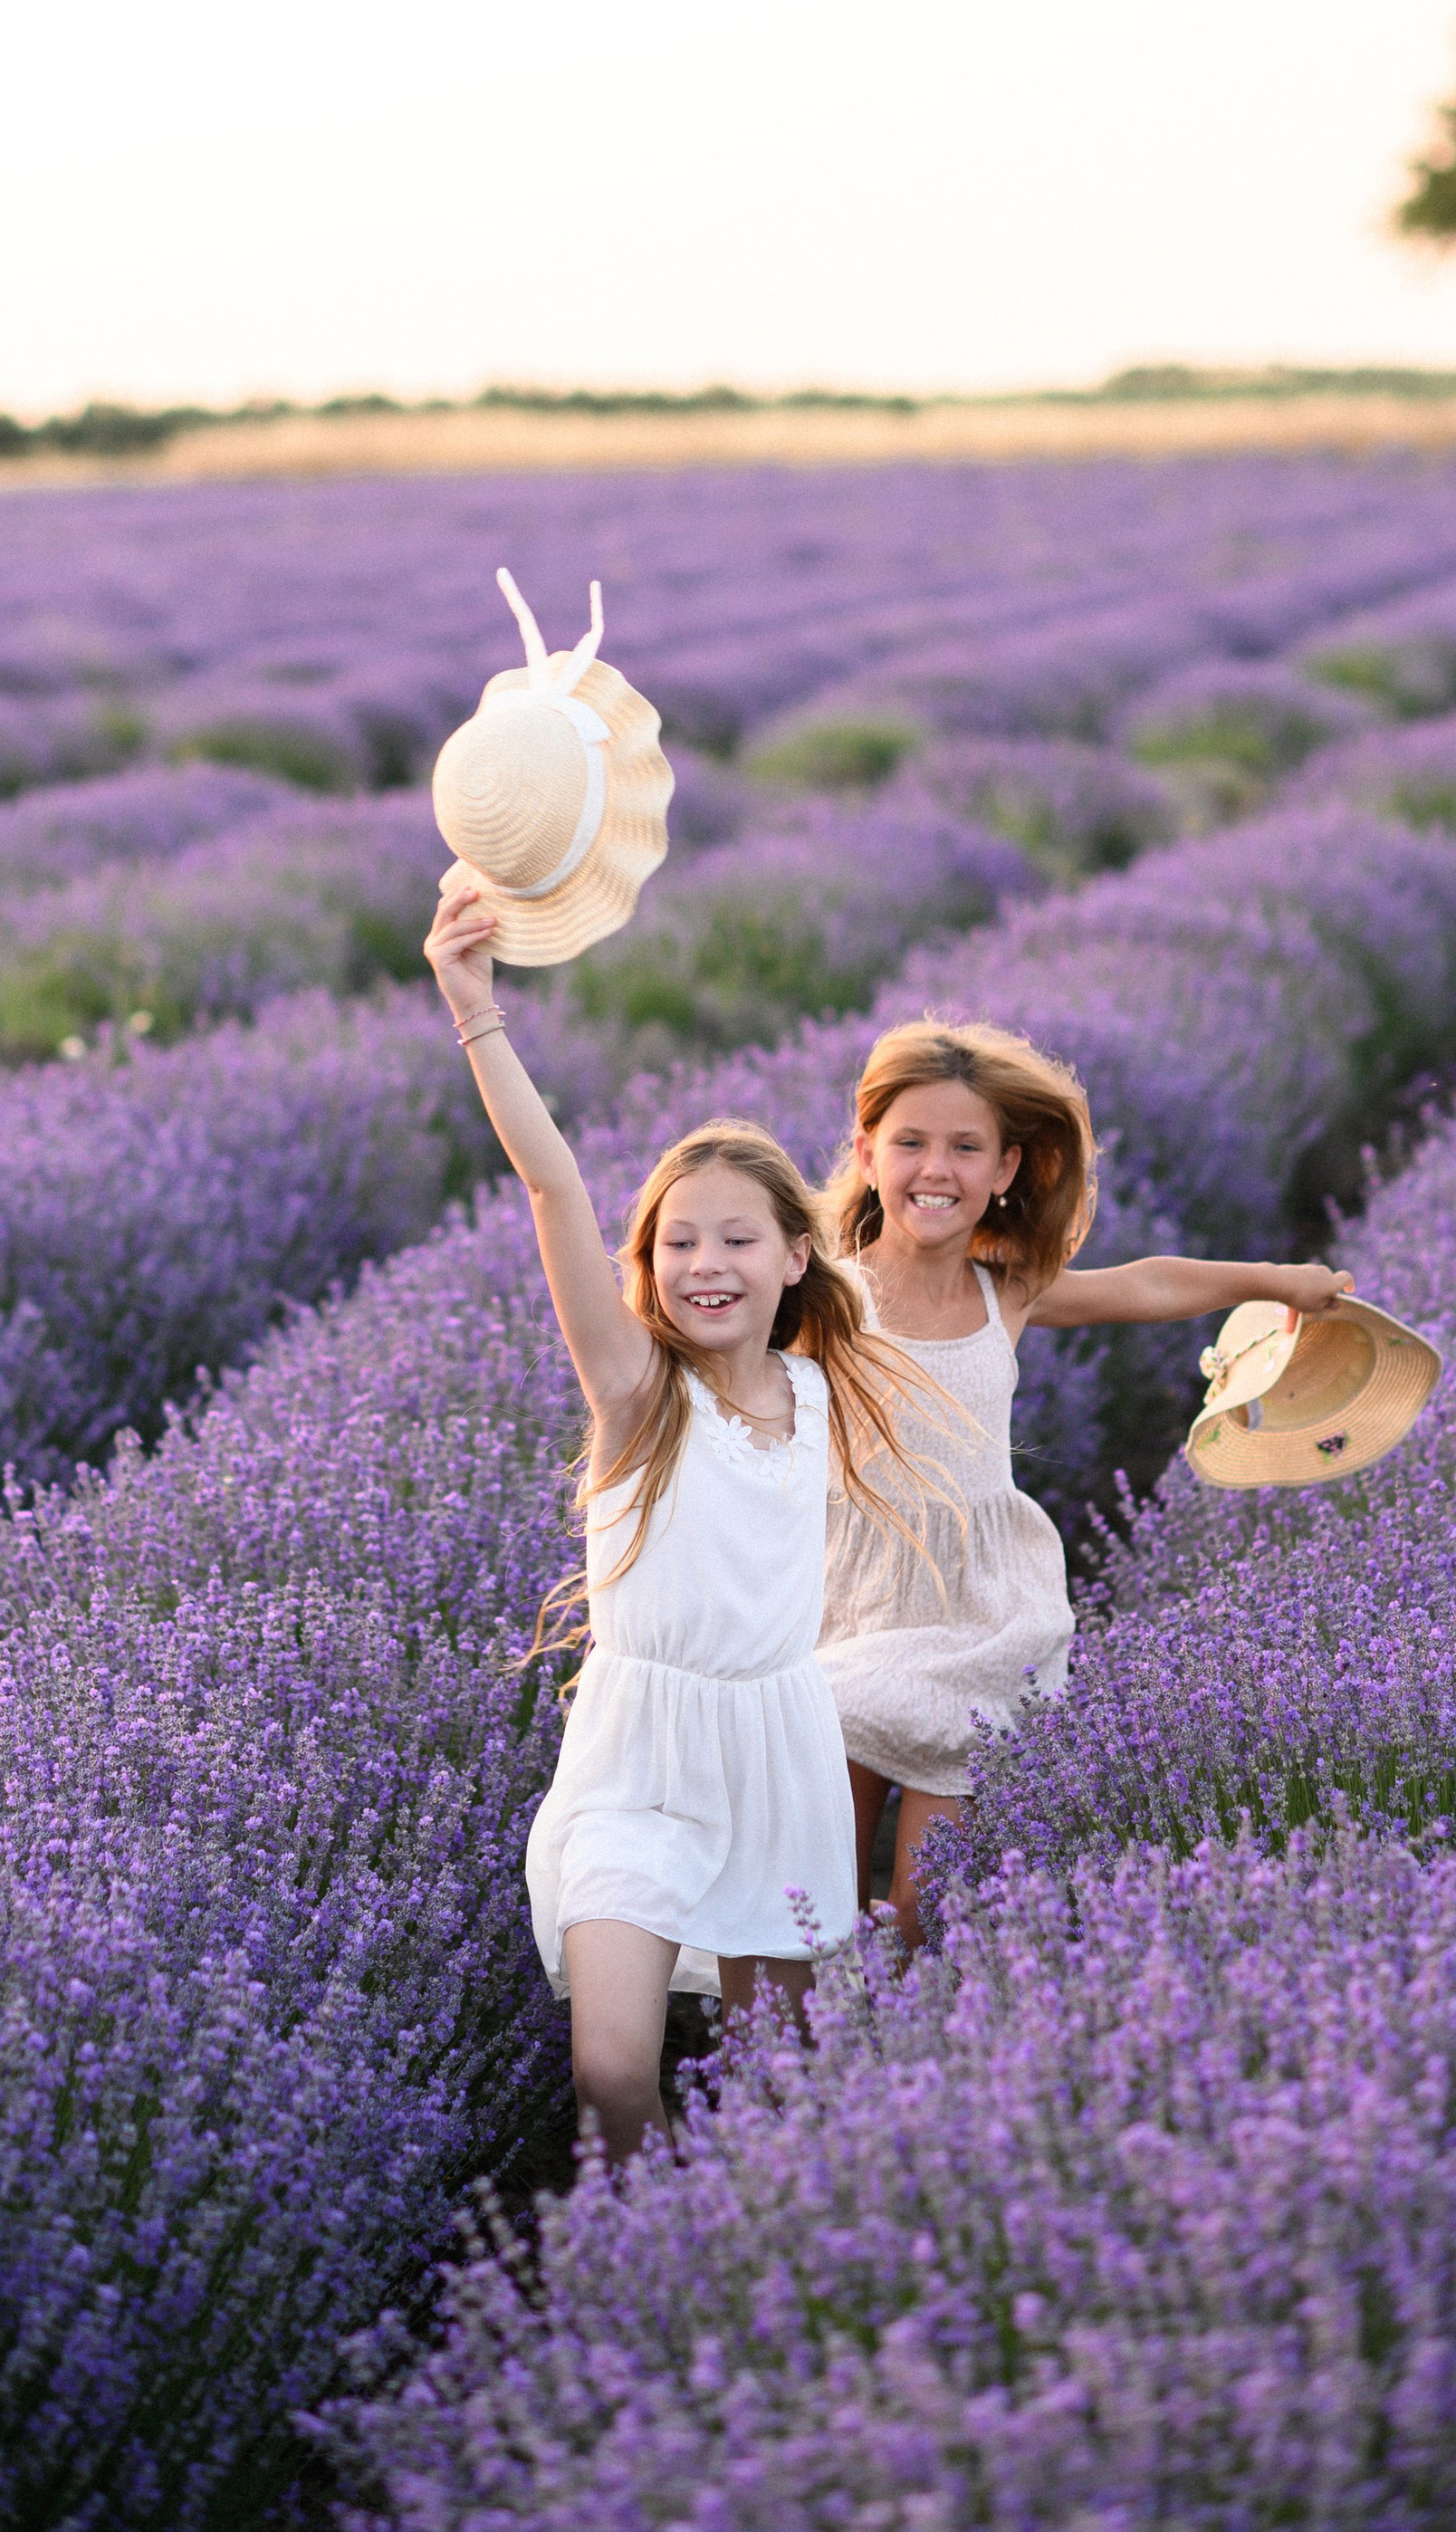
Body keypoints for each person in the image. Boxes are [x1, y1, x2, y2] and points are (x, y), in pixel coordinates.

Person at [423, 875, 953, 2166]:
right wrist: (475, 1010)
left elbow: (964, 1258)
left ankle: (718, 2291)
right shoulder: (638, 1398)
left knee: (781, 2091)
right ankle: (628, 2274)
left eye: (736, 1240)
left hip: (776, 1754)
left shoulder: (828, 1390)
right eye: (676, 1244)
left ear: (793, 1259)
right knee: (613, 2072)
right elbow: (555, 1196)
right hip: (637, 1763)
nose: (703, 1264)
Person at [817, 1017, 1354, 1943]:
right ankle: (785, 2072)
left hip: (977, 1613)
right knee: (814, 1885)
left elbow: (1142, 1284)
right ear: (866, 1152)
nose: (934, 1168)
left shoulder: (1004, 1287)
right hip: (849, 1600)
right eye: (908, 1142)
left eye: (965, 1147)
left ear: (1007, 1170)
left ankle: (897, 2057)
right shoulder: (822, 1292)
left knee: (921, 1911)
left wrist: (1276, 1280)